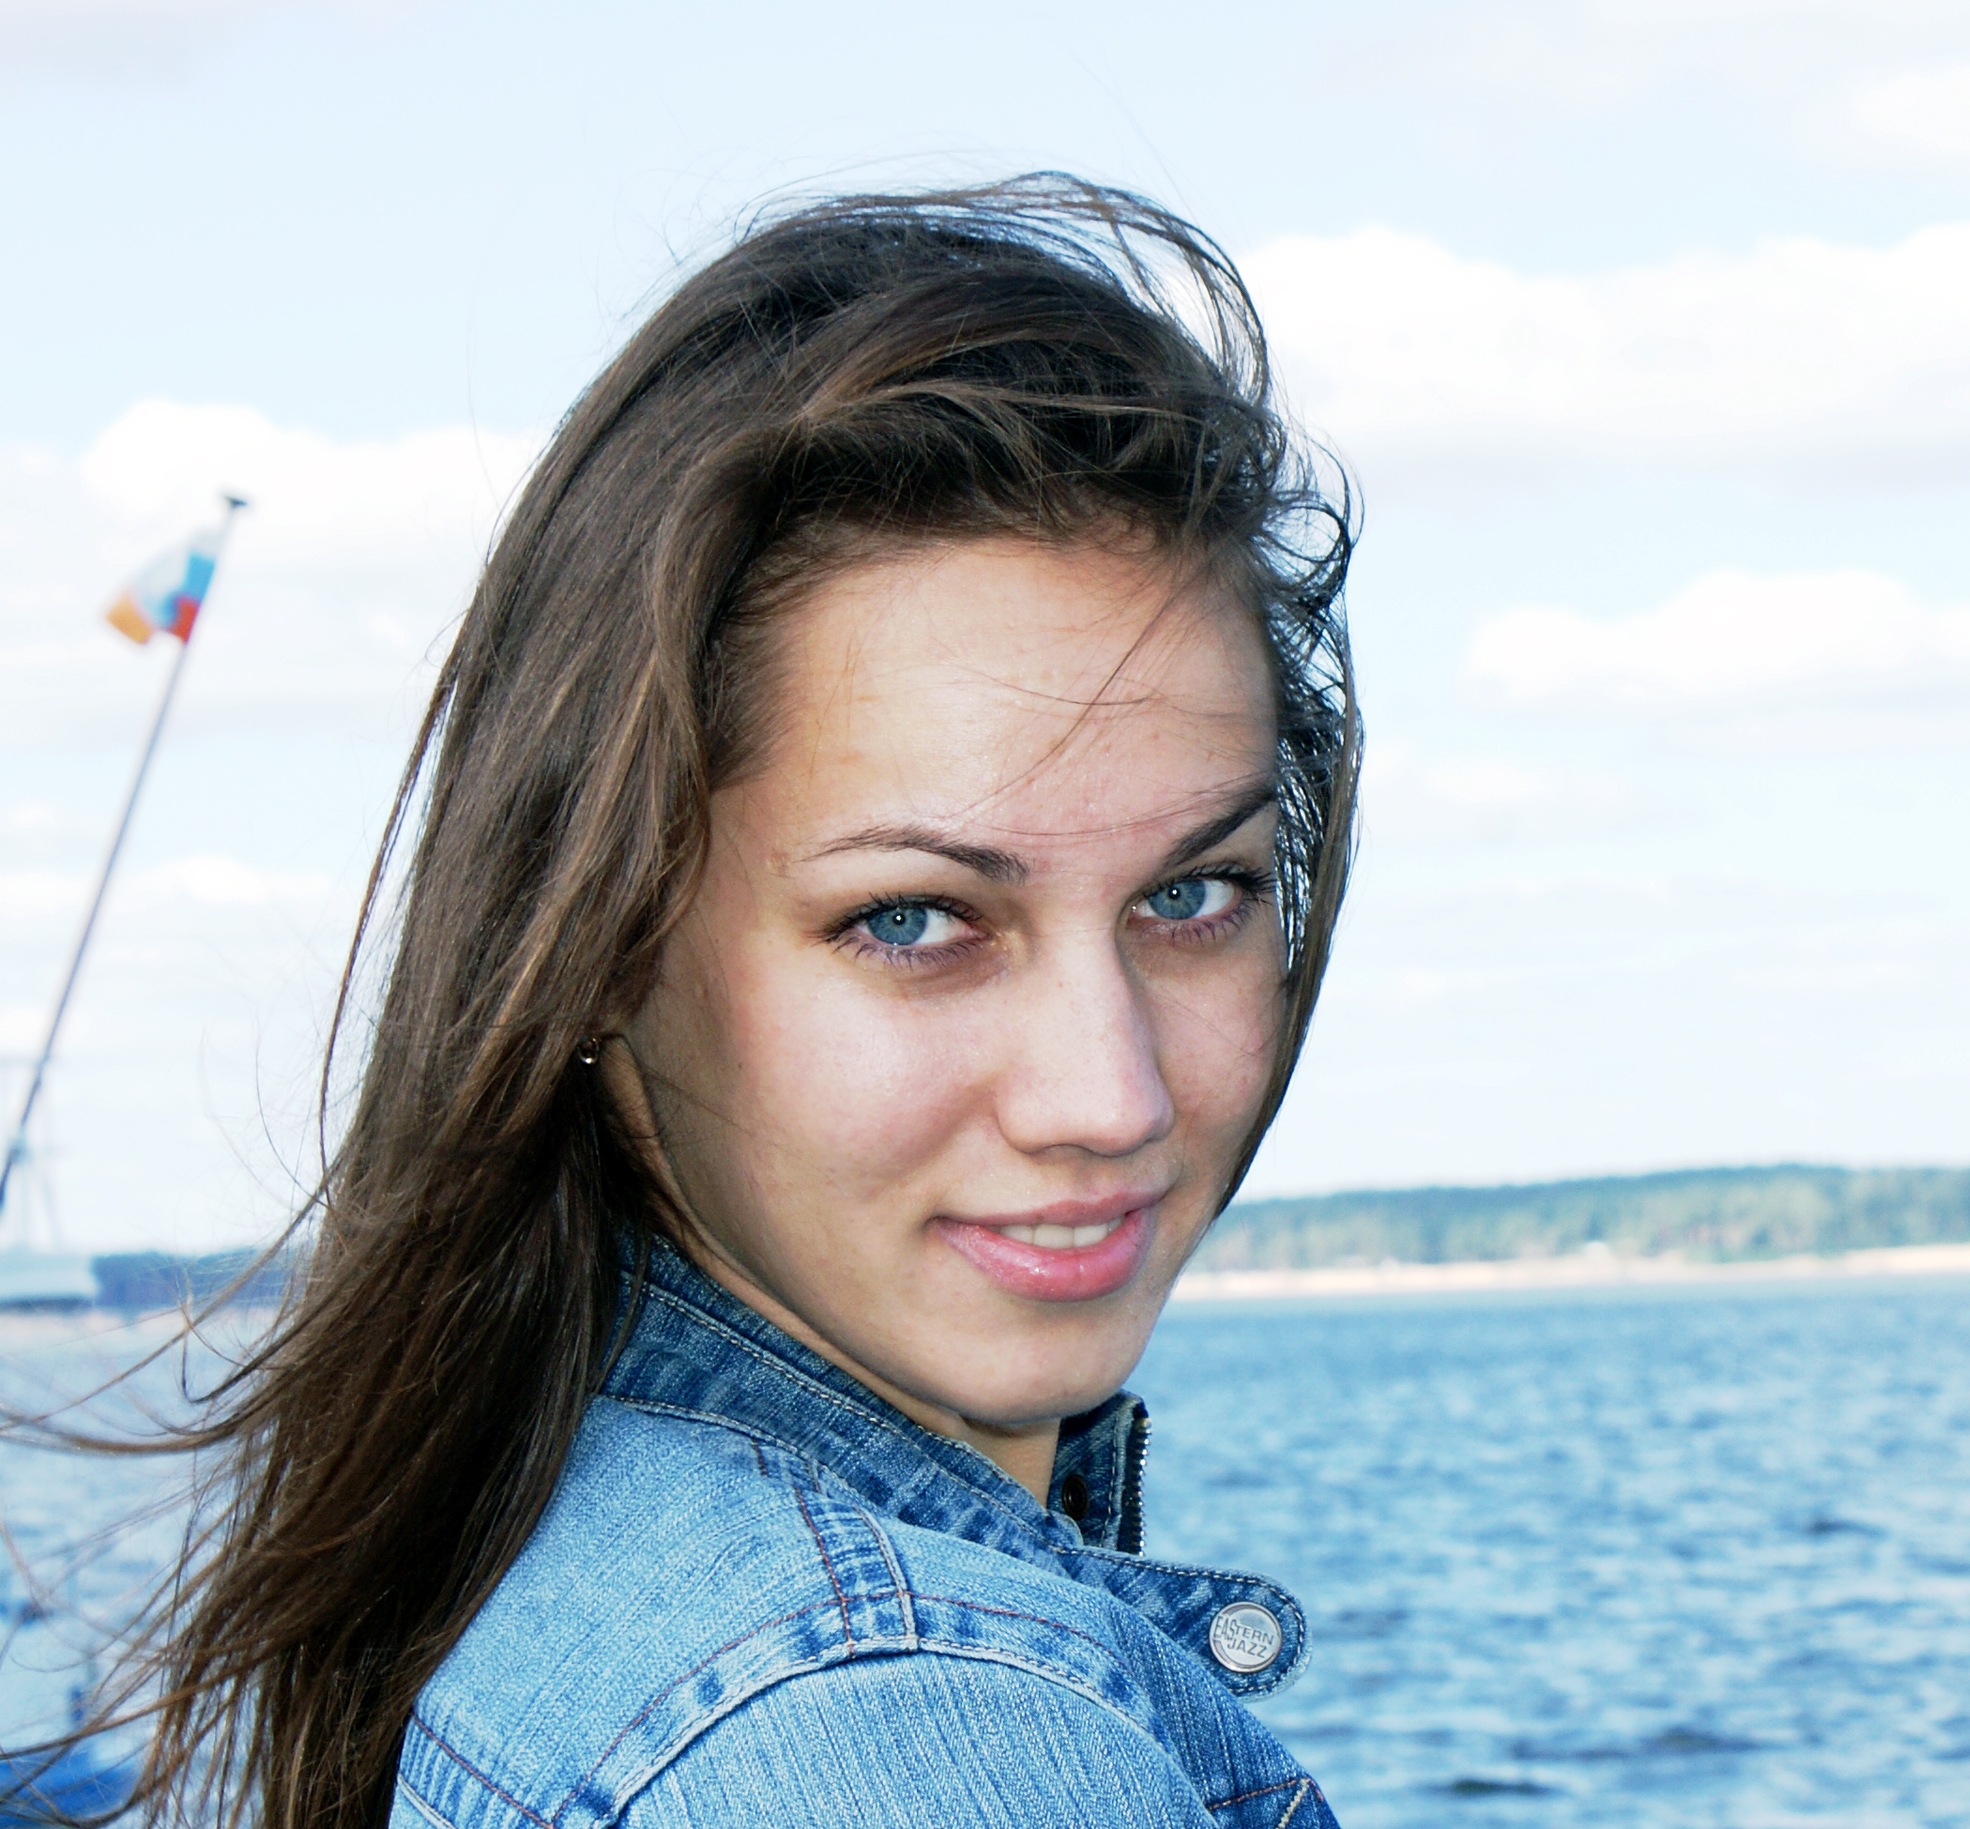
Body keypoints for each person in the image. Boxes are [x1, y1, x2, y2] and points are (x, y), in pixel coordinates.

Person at [93, 176, 1359, 1828]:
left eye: (1192, 896)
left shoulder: (585, 1540)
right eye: (915, 919)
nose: (1109, 1095)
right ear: (603, 941)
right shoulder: (874, 1740)